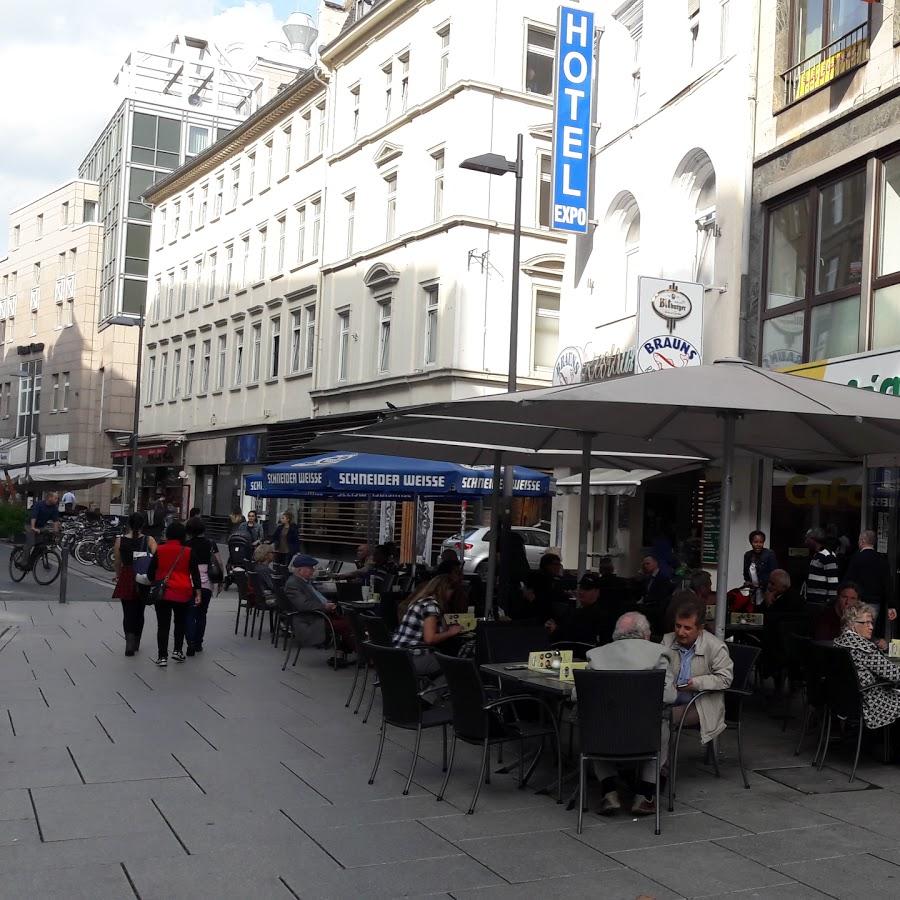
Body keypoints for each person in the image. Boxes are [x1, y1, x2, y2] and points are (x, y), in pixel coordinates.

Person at [586, 611, 677, 816]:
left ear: (616, 634)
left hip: (604, 736)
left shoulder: (596, 655)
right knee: (662, 723)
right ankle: (645, 795)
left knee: (592, 720)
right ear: (645, 634)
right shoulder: (658, 653)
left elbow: (579, 695)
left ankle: (609, 790)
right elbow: (669, 696)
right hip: (643, 734)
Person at [661, 603, 734, 745]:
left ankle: (663, 763)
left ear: (700, 628)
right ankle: (657, 761)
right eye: (677, 626)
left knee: (663, 718)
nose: (680, 632)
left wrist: (695, 683)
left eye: (687, 628)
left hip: (702, 702)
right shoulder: (668, 640)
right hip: (671, 696)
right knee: (645, 713)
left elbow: (725, 679)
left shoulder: (715, 647)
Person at [835, 602, 900, 730]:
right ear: (851, 624)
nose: (871, 627)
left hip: (845, 700)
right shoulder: (864, 648)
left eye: (871, 623)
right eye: (866, 623)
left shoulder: (839, 642)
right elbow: (896, 675)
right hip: (871, 703)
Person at [146, 521, 202, 667]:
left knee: (163, 625)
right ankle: (177, 650)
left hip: (163, 593)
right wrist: (198, 592)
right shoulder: (188, 551)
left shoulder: (160, 550)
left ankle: (162, 656)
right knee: (180, 622)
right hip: (183, 592)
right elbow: (195, 574)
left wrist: (157, 580)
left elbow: (150, 573)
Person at [284, 553, 355, 660]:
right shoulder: (293, 584)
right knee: (349, 626)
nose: (313, 570)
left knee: (353, 622)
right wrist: (324, 606)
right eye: (310, 568)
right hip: (312, 619)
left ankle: (342, 651)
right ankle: (363, 656)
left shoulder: (304, 581)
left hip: (323, 615)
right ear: (300, 570)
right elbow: (303, 605)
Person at [392, 575, 462, 676]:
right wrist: (451, 632)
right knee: (455, 666)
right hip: (412, 656)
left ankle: (429, 689)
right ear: (444, 590)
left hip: (398, 653)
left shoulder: (421, 602)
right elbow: (430, 639)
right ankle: (432, 692)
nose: (451, 596)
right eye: (451, 591)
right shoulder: (431, 606)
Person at [112, 513, 157, 657]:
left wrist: (118, 575)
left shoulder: (120, 540)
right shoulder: (149, 540)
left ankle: (129, 643)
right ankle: (136, 641)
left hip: (126, 575)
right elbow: (157, 557)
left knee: (128, 612)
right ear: (143, 525)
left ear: (128, 524)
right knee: (140, 611)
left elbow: (117, 562)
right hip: (143, 577)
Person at [184, 516, 223, 656]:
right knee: (202, 614)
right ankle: (198, 642)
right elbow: (219, 563)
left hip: (189, 583)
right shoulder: (211, 544)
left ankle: (190, 642)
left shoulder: (186, 544)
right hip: (206, 583)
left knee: (189, 614)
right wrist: (220, 581)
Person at [845, 530, 896, 631]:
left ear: (862, 541)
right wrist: (891, 606)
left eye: (859, 540)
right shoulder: (882, 560)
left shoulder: (856, 558)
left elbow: (848, 581)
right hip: (874, 603)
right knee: (869, 630)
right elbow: (888, 585)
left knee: (855, 630)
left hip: (857, 602)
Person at [760, 569, 806, 679]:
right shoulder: (774, 595)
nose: (769, 586)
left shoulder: (792, 599)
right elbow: (758, 614)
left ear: (784, 587)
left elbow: (773, 619)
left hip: (787, 644)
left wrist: (769, 605)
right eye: (769, 582)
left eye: (773, 584)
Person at [545, 572, 611, 646]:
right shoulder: (576, 610)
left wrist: (556, 630)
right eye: (581, 588)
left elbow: (579, 637)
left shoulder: (599, 614)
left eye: (587, 589)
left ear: (597, 592)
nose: (581, 592)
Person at [637, 555, 673, 631]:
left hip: (656, 611)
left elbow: (662, 597)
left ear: (655, 563)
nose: (645, 566)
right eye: (644, 564)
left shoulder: (663, 578)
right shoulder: (646, 578)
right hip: (646, 609)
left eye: (648, 563)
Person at [743, 530, 777, 607]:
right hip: (753, 591)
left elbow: (774, 574)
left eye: (761, 542)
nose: (758, 544)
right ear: (751, 542)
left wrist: (766, 587)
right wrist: (748, 582)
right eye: (755, 542)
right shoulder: (748, 555)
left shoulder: (769, 554)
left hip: (766, 590)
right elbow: (746, 573)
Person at [805, 527, 839, 604]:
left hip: (821, 602)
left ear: (813, 539)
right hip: (811, 600)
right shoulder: (815, 555)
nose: (805, 541)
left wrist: (830, 601)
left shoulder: (828, 555)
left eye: (807, 538)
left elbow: (833, 580)